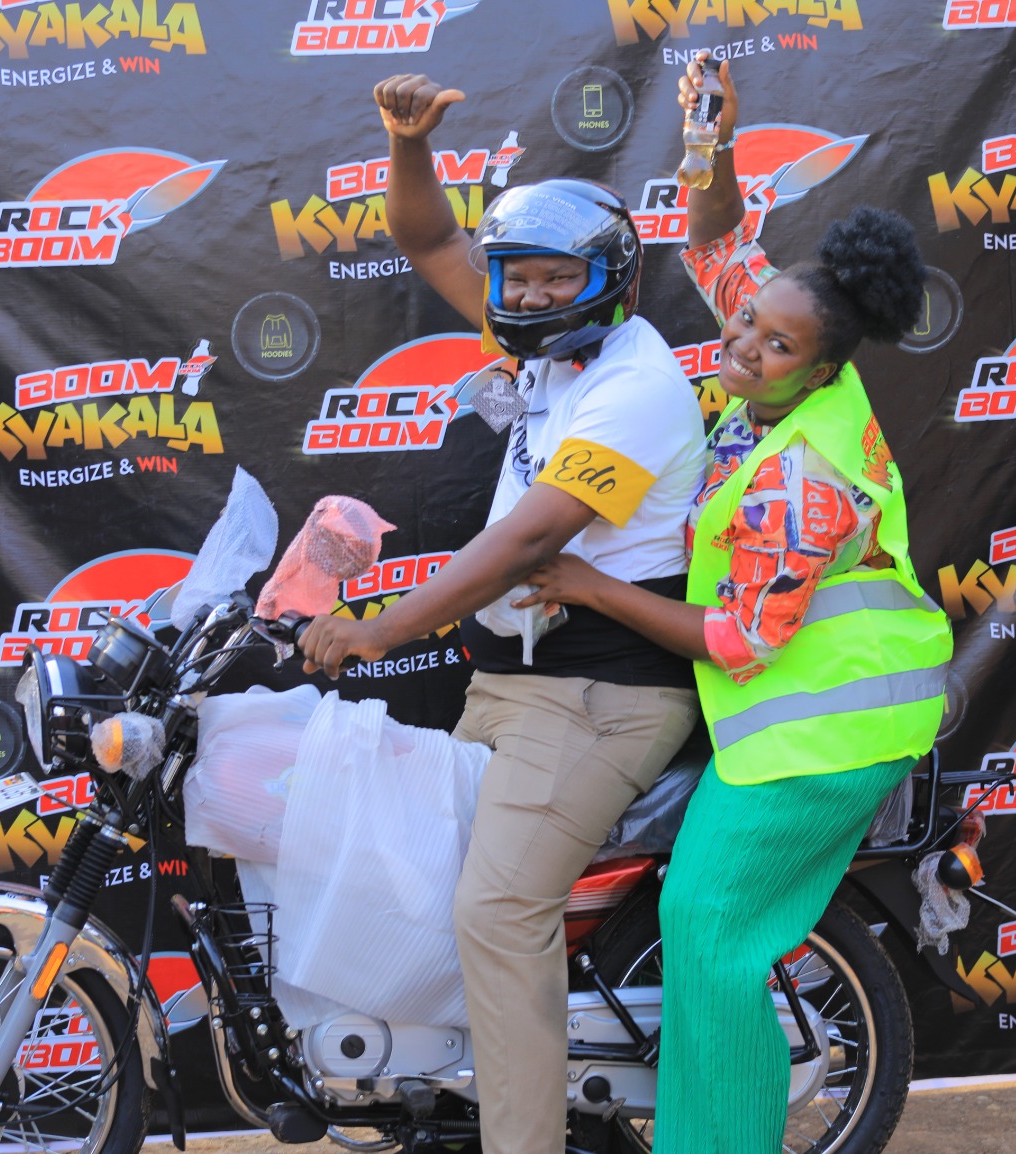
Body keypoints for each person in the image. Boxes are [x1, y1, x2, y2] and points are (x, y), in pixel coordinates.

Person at [513, 55, 953, 1154]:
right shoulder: (787, 351)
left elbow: (739, 640)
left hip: (824, 730)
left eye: (772, 345)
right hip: (799, 717)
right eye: (747, 325)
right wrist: (707, 136)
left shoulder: (806, 477)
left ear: (822, 370)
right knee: (706, 932)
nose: (743, 346)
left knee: (709, 935)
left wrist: (584, 582)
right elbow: (716, 238)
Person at [298, 75, 707, 1154]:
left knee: (493, 912)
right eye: (513, 279)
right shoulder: (548, 345)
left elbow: (528, 540)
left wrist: (379, 629)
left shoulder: (634, 381)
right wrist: (407, 146)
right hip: (514, 683)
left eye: (549, 277)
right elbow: (430, 236)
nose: (523, 296)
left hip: (599, 696)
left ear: (608, 281)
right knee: (429, 893)